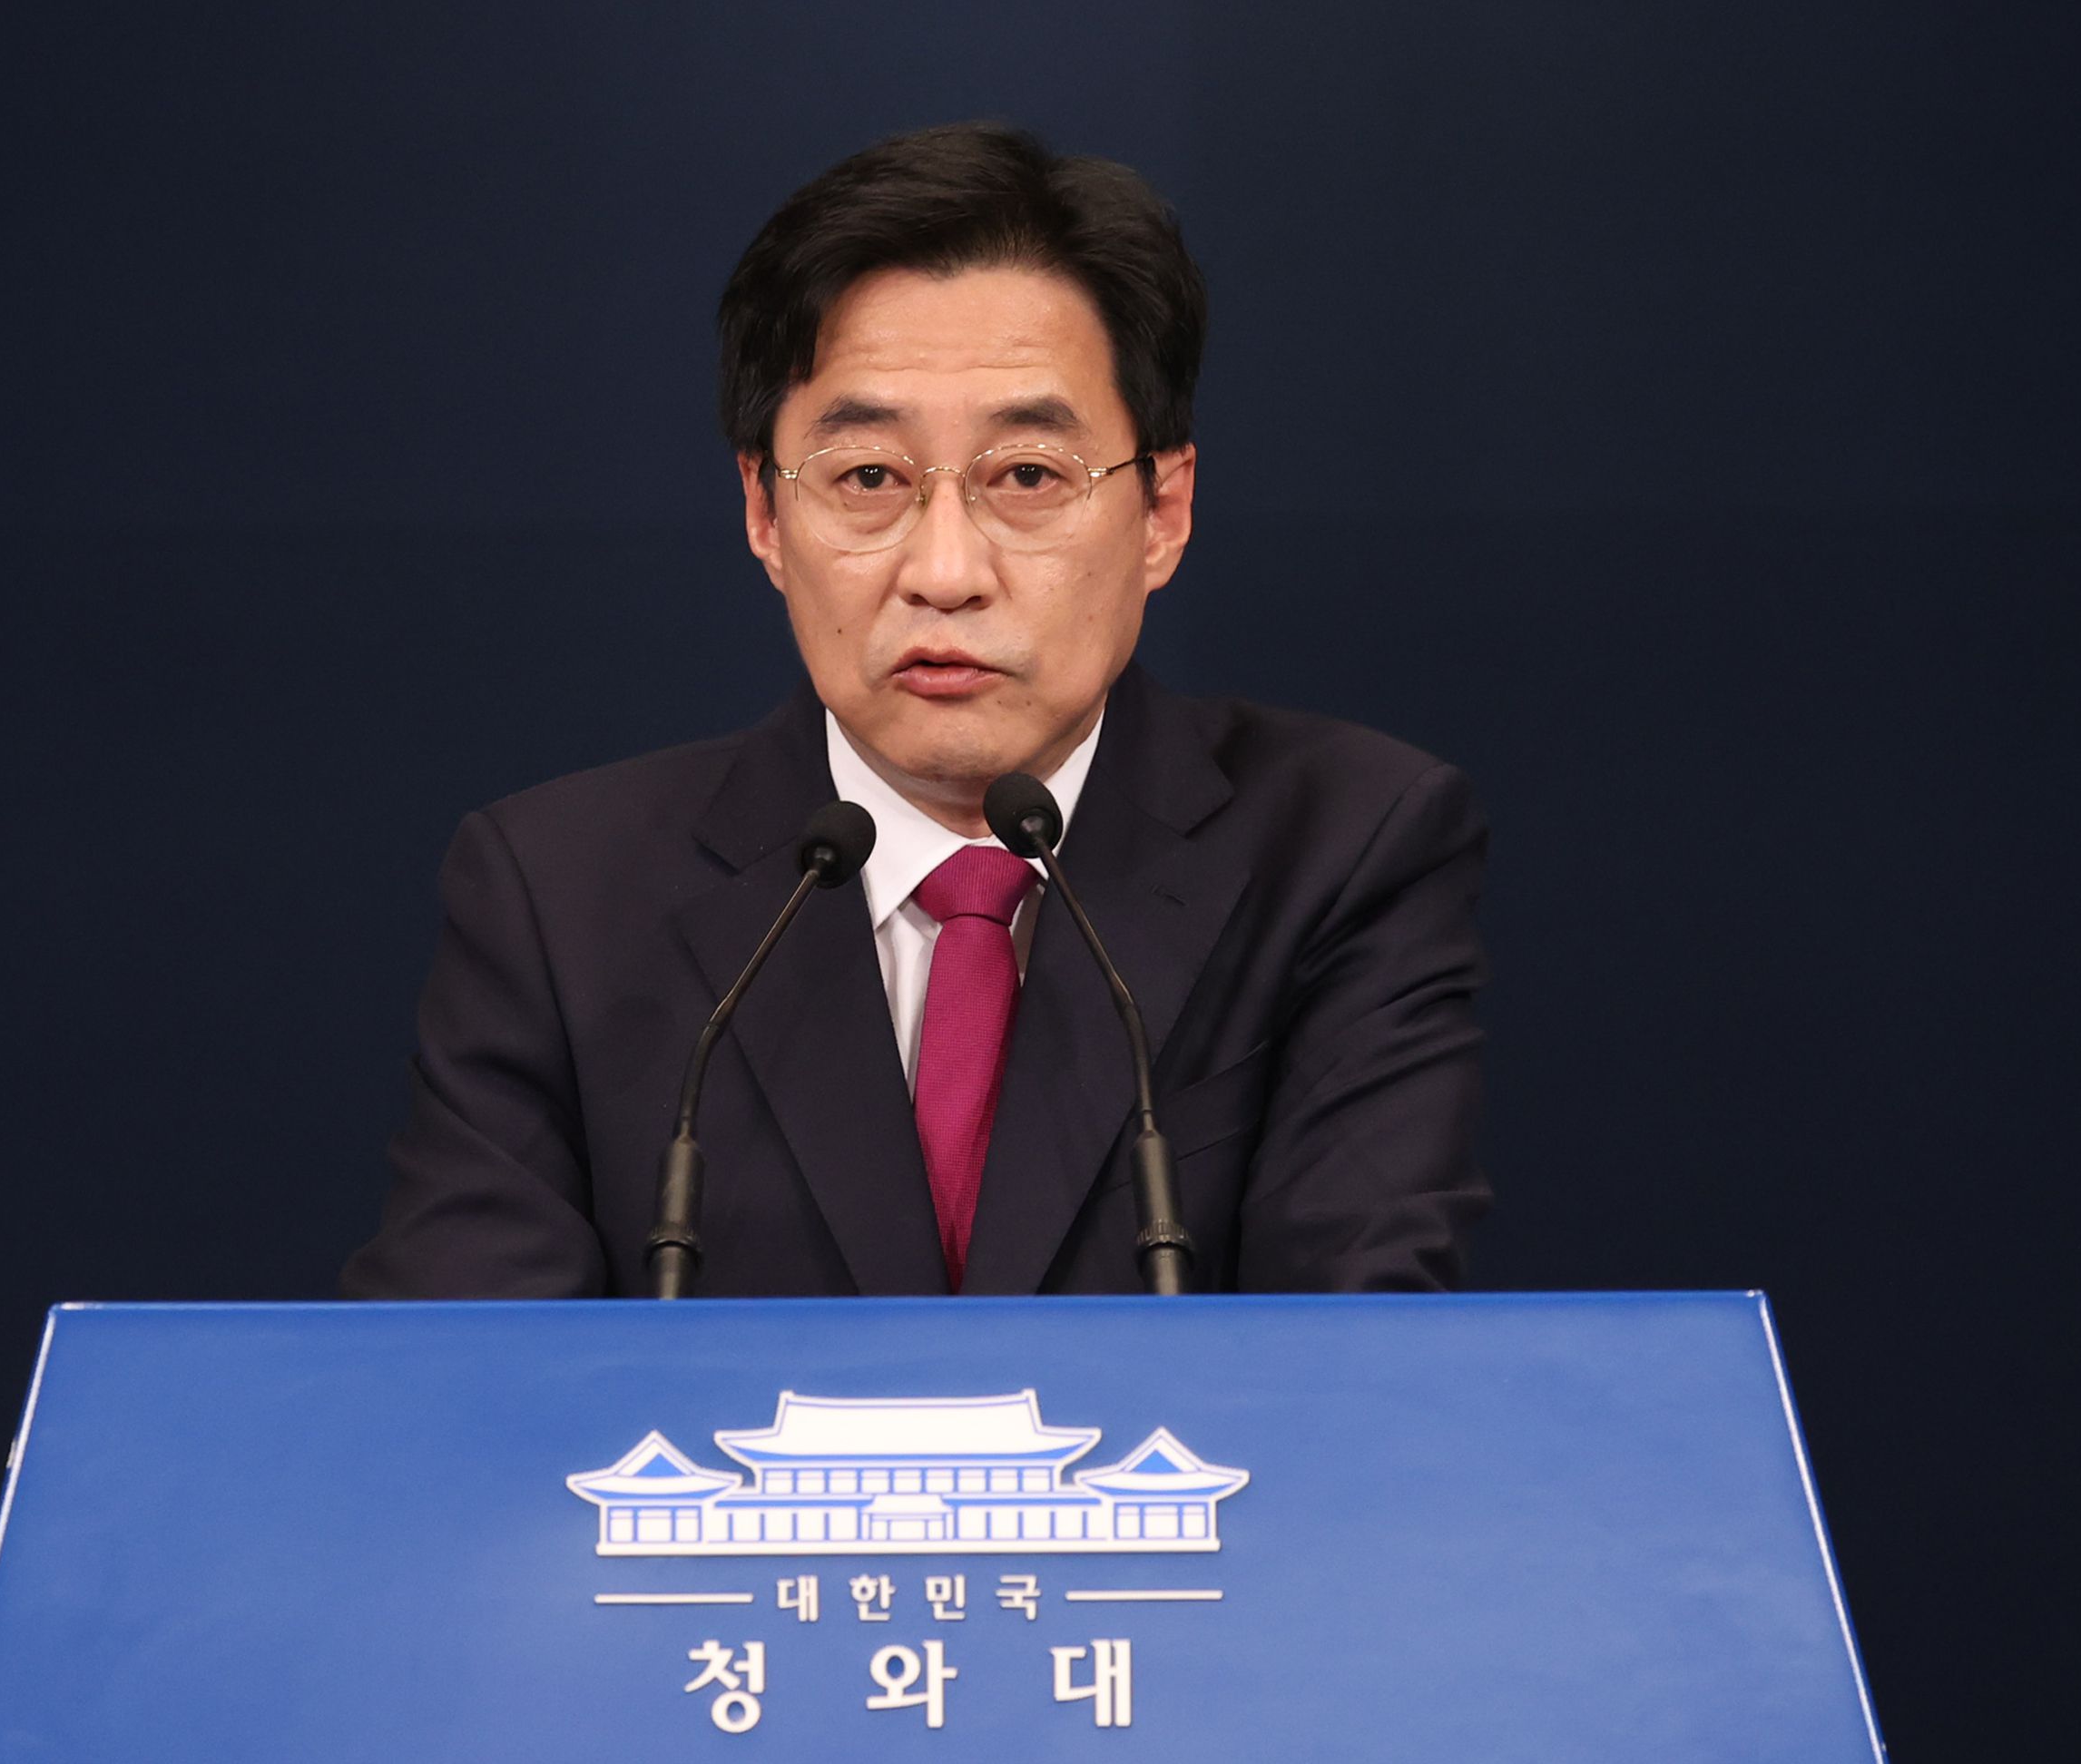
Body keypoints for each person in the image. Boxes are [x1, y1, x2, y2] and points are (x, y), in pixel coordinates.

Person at [342, 123, 1488, 1299]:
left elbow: (1366, 1360)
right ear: (765, 514)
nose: (945, 573)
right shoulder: (561, 897)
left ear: (1163, 512)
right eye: (869, 479)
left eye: (1028, 477)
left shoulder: (1340, 852)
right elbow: (460, 1375)